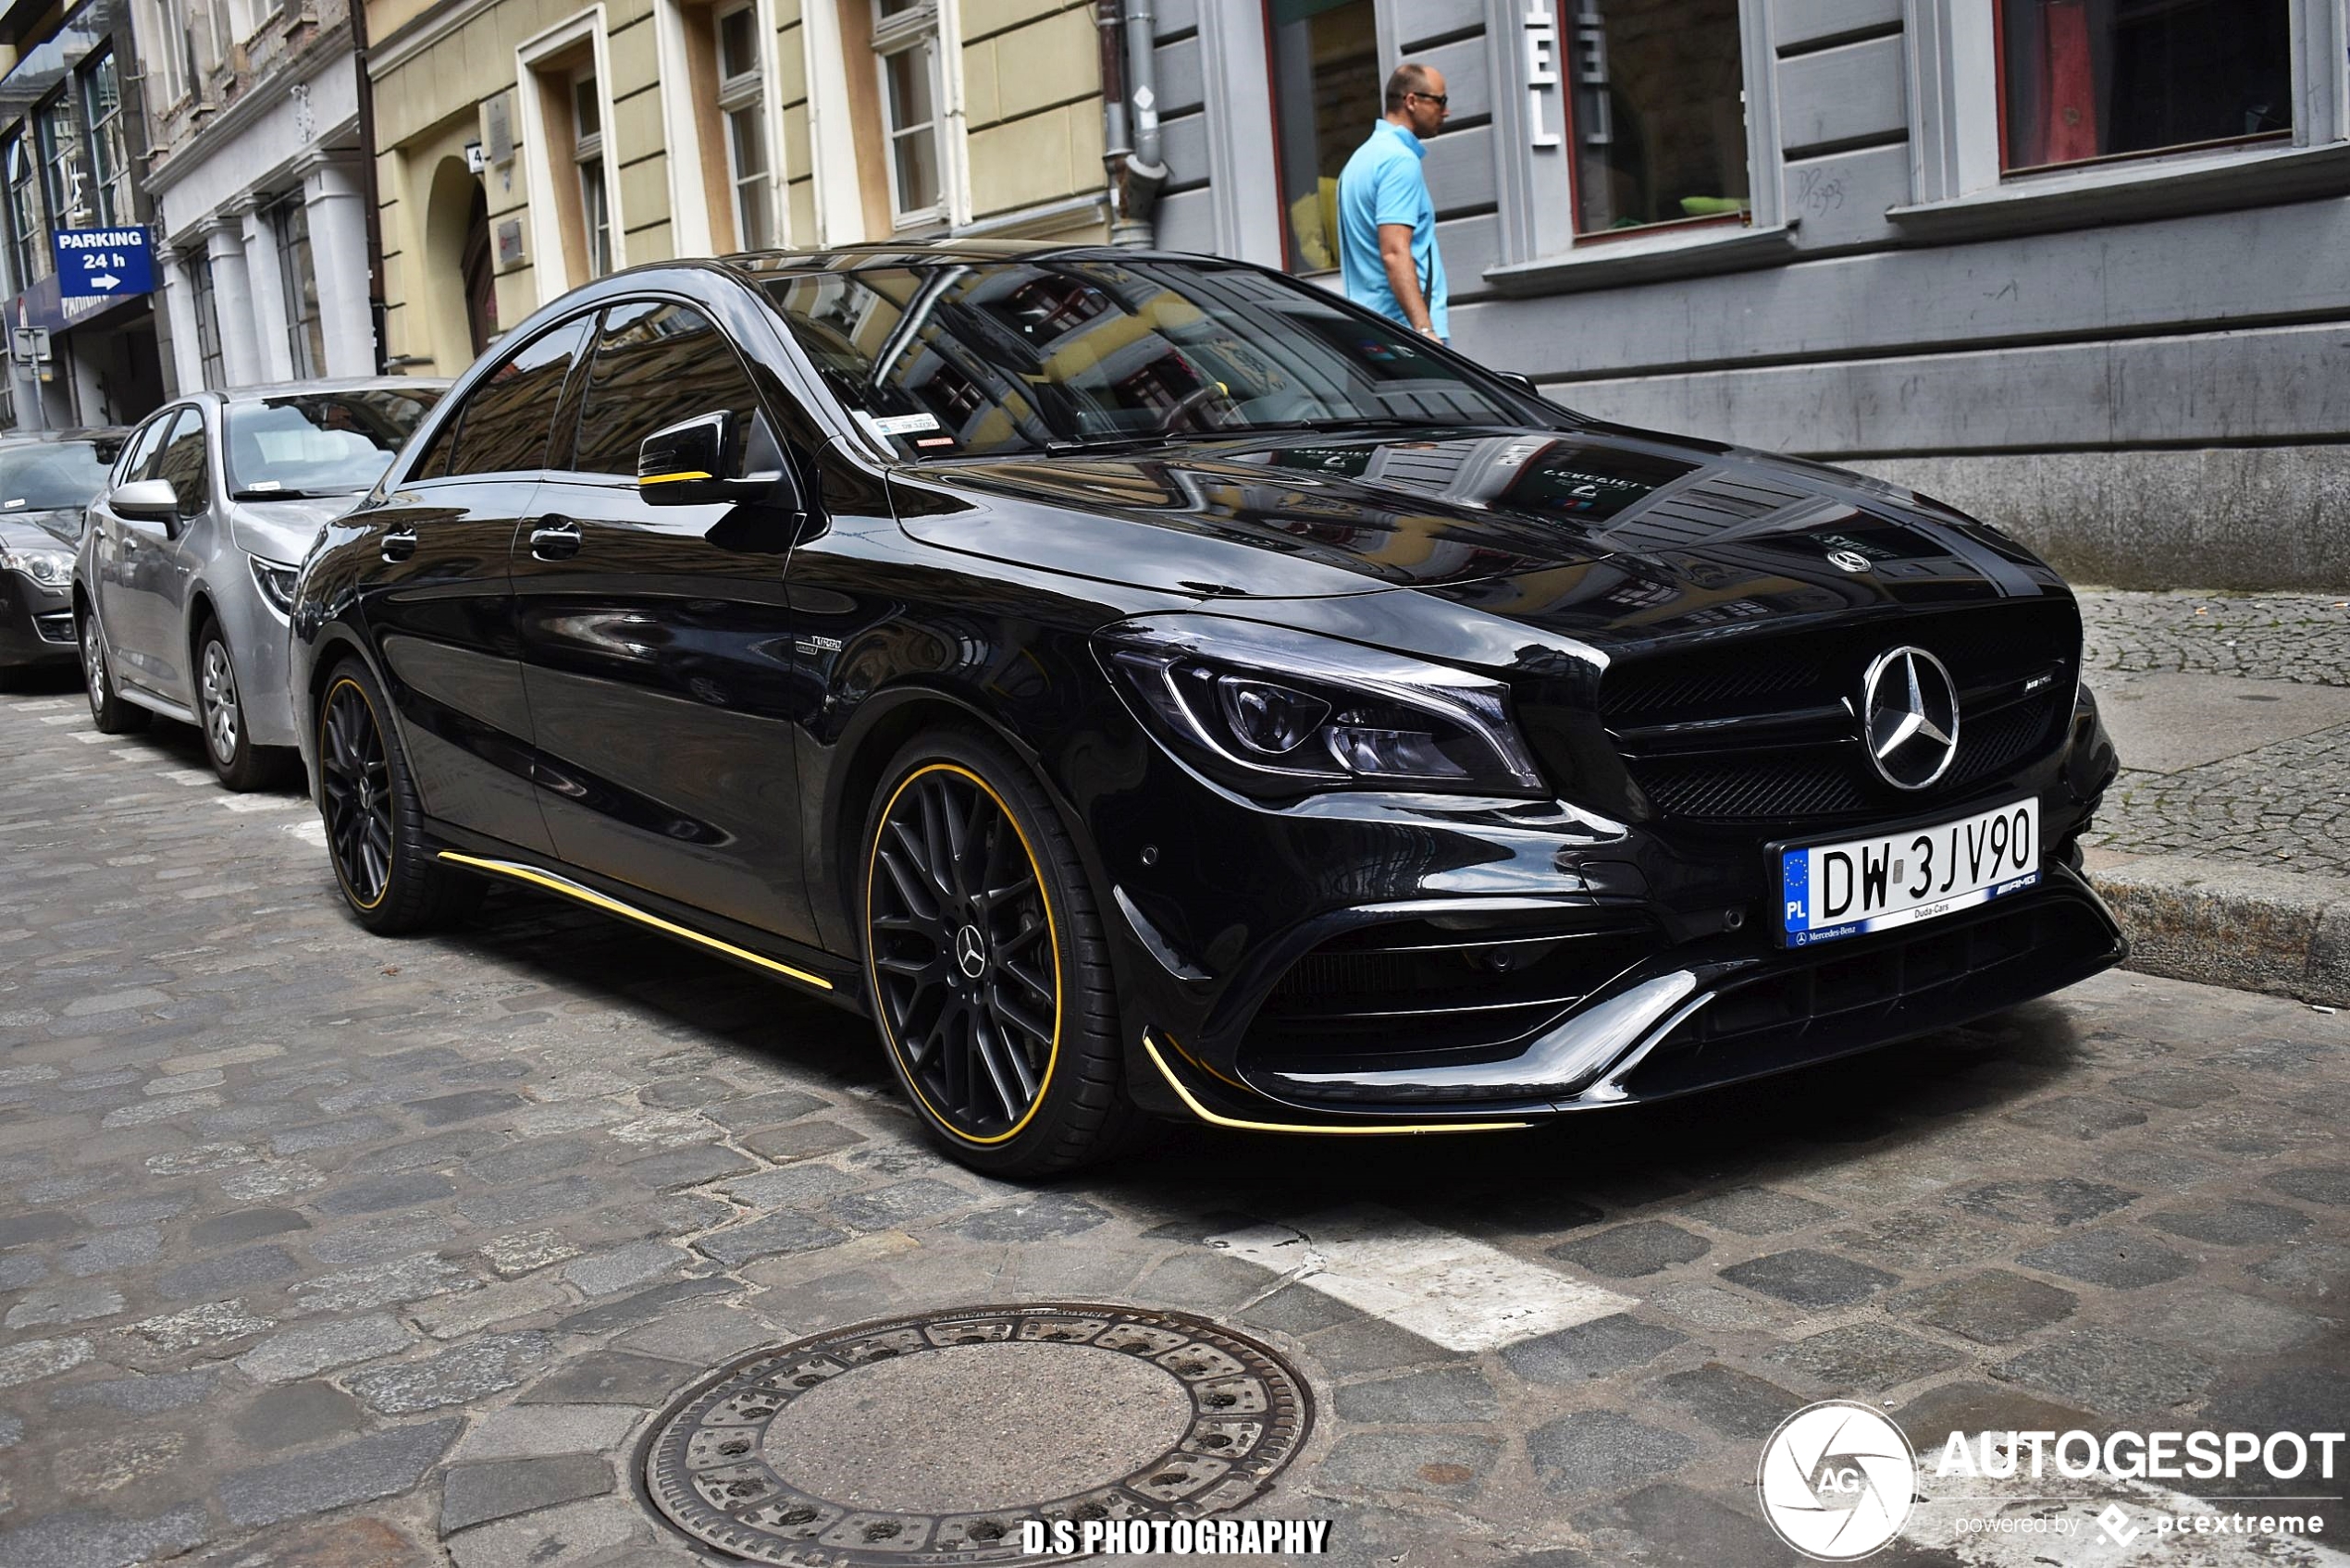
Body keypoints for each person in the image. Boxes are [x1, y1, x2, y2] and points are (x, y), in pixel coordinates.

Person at [1337, 62, 1452, 343]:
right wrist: (1425, 329)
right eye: (1441, 101)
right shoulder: (1400, 161)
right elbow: (1394, 251)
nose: (1446, 111)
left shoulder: (1358, 162)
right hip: (1405, 336)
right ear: (1411, 101)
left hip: (1366, 329)